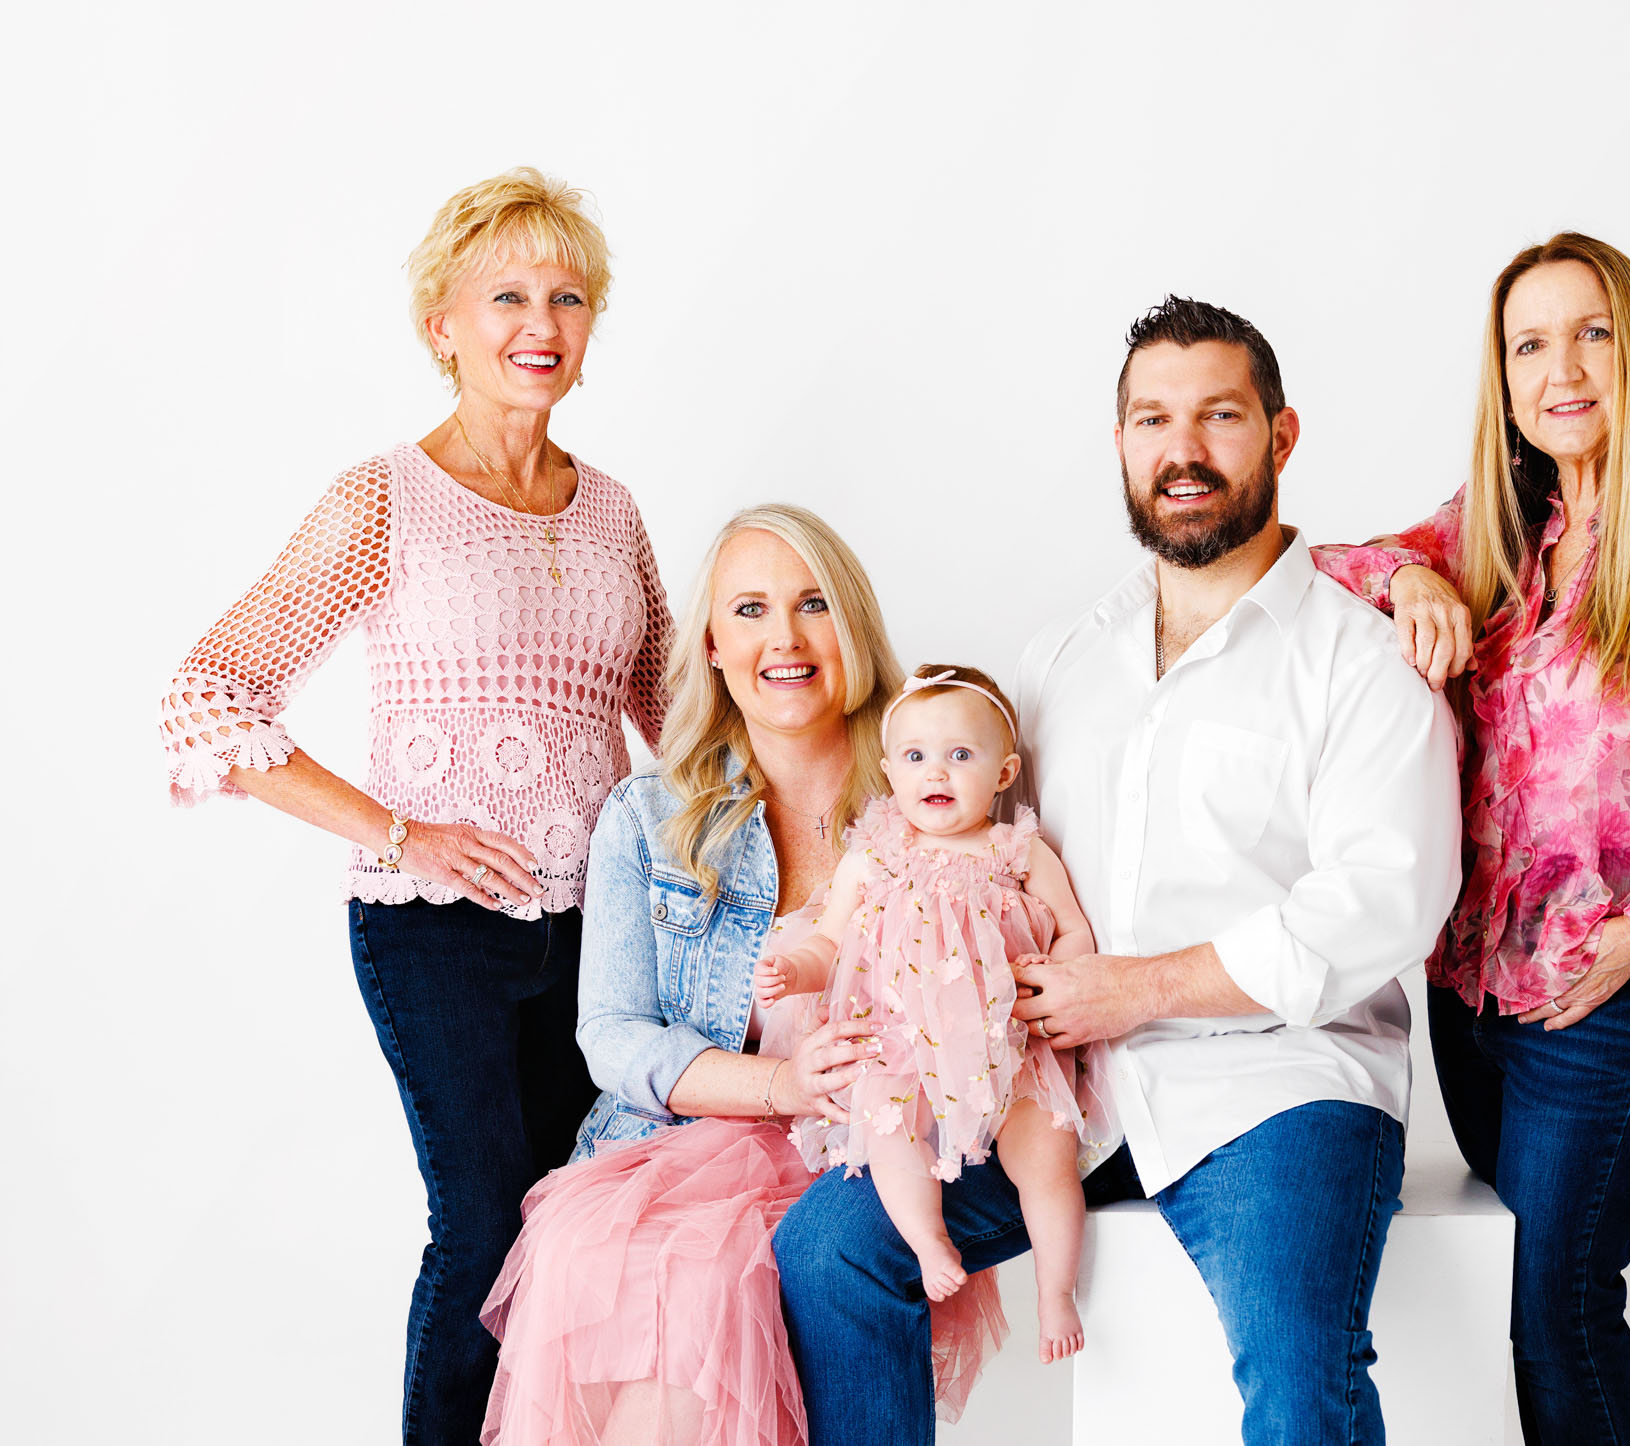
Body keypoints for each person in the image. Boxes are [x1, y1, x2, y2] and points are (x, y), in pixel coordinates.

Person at [773, 297, 1465, 1446]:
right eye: (1152, 420)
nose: (1180, 449)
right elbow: (968, 858)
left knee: (1298, 1369)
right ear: (1119, 443)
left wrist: (1138, 989)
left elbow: (1381, 904)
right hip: (1062, 1093)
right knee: (829, 1252)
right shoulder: (1060, 661)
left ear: (1281, 436)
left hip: (1277, 1086)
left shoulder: (1358, 659)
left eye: (1217, 416)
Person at [157, 168, 671, 1444]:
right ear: (442, 325)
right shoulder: (384, 498)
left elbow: (682, 722)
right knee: (484, 1225)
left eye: (567, 297)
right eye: (507, 296)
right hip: (433, 930)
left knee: (574, 1222)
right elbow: (207, 696)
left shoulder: (614, 512)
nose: (540, 323)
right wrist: (399, 832)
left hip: (599, 937)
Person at [1311, 232, 1630, 1446]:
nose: (1562, 370)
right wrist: (1410, 582)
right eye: (1527, 345)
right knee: (1519, 1302)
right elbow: (1318, 568)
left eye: (1590, 333)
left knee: (1560, 1308)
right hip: (1469, 997)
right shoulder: (1494, 533)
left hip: (1604, 998)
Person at [480, 507, 1003, 1446]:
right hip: (675, 1150)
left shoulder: (934, 794)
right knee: (649, 1270)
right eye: (751, 610)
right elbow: (613, 1036)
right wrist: (782, 1085)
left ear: (853, 628)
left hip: (870, 1149)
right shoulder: (648, 815)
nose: (785, 638)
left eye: (814, 604)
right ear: (714, 646)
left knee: (741, 1276)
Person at [757, 663, 1108, 1364]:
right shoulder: (876, 856)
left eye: (961, 755)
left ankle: (1056, 1291)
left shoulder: (1017, 850)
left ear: (1004, 773)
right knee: (889, 1132)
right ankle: (927, 1240)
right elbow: (830, 941)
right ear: (890, 771)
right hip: (903, 1046)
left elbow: (1074, 929)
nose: (936, 772)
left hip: (1013, 1044)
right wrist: (797, 968)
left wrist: (1060, 975)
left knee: (1047, 1161)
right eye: (915, 757)